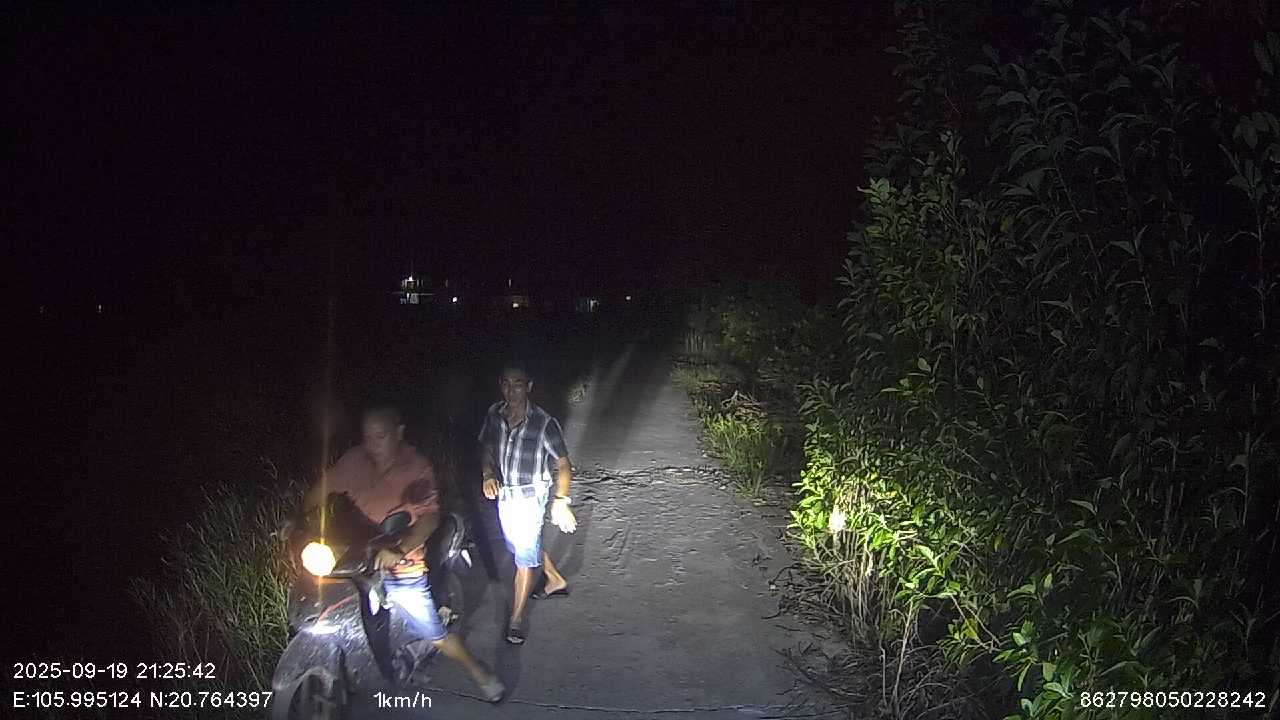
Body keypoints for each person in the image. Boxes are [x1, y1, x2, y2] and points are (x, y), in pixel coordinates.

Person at [299, 403, 505, 703]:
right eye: (368, 437)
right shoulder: (355, 460)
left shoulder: (415, 469)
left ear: (398, 433)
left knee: (432, 631)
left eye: (380, 437)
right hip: (356, 555)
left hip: (402, 563)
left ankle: (480, 673)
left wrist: (401, 548)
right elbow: (325, 486)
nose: (372, 444)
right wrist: (296, 517)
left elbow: (429, 518)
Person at [477, 360, 578, 645]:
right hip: (505, 495)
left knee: (523, 557)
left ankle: (517, 619)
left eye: (518, 384)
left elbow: (563, 464)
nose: (511, 391)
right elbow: (486, 446)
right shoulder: (494, 414)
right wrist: (488, 474)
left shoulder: (544, 423)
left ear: (529, 387)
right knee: (522, 545)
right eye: (506, 384)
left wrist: (561, 500)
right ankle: (555, 579)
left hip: (531, 498)